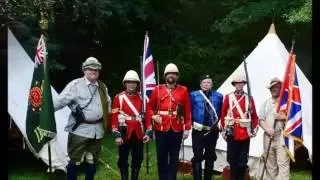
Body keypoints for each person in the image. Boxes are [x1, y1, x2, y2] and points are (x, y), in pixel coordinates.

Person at [54, 57, 111, 180]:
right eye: (90, 68)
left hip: (97, 130)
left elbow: (108, 106)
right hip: (80, 130)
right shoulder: (75, 85)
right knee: (76, 160)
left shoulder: (102, 87)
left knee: (91, 159)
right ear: (84, 70)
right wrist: (43, 111)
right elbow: (59, 102)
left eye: (96, 69)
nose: (93, 71)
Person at [146, 63, 192, 180]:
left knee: (174, 157)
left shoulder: (183, 90)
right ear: (165, 76)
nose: (171, 75)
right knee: (161, 157)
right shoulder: (157, 89)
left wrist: (187, 128)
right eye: (169, 73)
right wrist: (154, 116)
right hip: (161, 128)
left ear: (177, 76)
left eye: (174, 74)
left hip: (177, 128)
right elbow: (149, 108)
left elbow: (187, 110)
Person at [110, 70, 152, 180]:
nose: (131, 84)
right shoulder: (118, 97)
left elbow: (148, 116)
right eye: (129, 82)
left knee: (138, 158)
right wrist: (116, 134)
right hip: (124, 131)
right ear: (125, 83)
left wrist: (148, 131)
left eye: (133, 82)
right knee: (123, 158)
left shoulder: (143, 98)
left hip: (139, 132)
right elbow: (114, 117)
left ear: (137, 84)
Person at [220, 73, 259, 180]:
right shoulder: (228, 97)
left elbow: (255, 117)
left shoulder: (249, 98)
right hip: (232, 131)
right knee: (232, 159)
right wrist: (223, 130)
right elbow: (223, 114)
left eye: (241, 83)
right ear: (234, 84)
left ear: (244, 84)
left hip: (245, 132)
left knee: (243, 160)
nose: (239, 85)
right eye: (237, 83)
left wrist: (254, 129)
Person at [189, 74, 223, 180]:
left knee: (210, 156)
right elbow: (188, 111)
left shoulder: (219, 96)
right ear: (200, 84)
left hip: (212, 132)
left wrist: (218, 126)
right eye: (204, 82)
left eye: (208, 82)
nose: (206, 84)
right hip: (198, 131)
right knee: (197, 156)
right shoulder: (193, 95)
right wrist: (191, 124)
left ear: (212, 84)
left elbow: (221, 112)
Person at [259, 77, 289, 180]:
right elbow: (261, 119)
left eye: (277, 87)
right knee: (270, 165)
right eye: (272, 87)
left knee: (283, 164)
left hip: (282, 137)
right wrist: (267, 129)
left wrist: (283, 117)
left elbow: (295, 120)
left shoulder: (287, 103)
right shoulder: (266, 103)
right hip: (268, 137)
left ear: (281, 89)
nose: (274, 89)